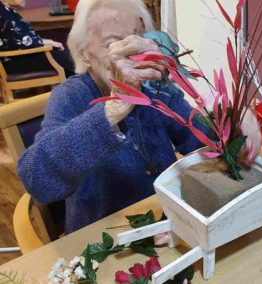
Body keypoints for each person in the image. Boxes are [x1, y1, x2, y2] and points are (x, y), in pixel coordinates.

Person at [17, 0, 207, 234]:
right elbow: (37, 180)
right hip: (104, 239)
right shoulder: (70, 96)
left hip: (169, 224)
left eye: (138, 38)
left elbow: (202, 141)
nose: (133, 52)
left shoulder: (155, 88)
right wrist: (115, 107)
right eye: (114, 43)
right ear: (85, 53)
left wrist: (233, 126)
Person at [0, 0, 74, 77]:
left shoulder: (6, 10)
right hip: (13, 63)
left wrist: (43, 41)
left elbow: (17, 37)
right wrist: (42, 42)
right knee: (68, 58)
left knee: (67, 56)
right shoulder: (2, 10)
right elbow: (19, 41)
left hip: (18, 58)